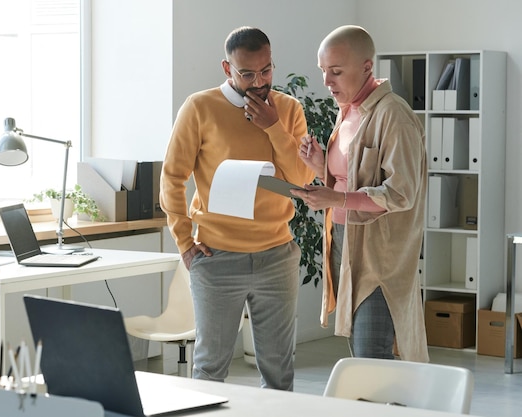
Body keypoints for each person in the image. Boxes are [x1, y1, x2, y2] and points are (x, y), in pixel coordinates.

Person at [160, 26, 313, 390]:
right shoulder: (200, 107)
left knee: (279, 371)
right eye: (247, 73)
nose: (259, 81)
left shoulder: (288, 109)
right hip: (217, 258)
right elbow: (172, 177)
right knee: (211, 368)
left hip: (277, 255)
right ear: (227, 69)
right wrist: (184, 242)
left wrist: (274, 127)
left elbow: (301, 178)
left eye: (267, 70)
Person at [290, 25, 429, 361]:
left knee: (373, 352)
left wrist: (336, 199)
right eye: (323, 71)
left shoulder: (393, 116)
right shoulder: (348, 111)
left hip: (380, 256)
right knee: (363, 350)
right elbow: (348, 179)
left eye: (336, 71)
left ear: (367, 67)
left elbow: (401, 194)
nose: (327, 82)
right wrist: (320, 164)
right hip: (342, 240)